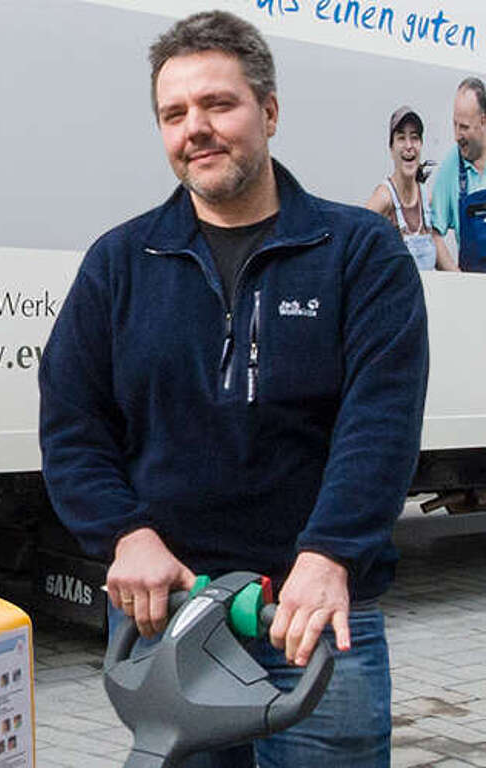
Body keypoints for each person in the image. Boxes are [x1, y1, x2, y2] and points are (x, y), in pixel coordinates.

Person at [39, 10, 428, 767]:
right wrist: (124, 534)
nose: (197, 129)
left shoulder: (359, 253)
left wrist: (329, 554)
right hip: (173, 622)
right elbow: (71, 422)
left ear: (270, 111)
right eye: (175, 113)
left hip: (312, 621)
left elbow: (379, 421)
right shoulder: (120, 262)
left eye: (219, 104)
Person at [367, 106, 457, 271]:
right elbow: (356, 243)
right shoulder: (384, 198)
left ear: (421, 144)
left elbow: (447, 264)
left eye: (414, 138)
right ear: (391, 148)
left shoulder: (427, 200)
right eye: (401, 138)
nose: (409, 146)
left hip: (427, 296)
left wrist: (470, 288)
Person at [431, 77, 486, 272]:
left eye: (464, 127)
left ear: (483, 121)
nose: (456, 135)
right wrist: (457, 279)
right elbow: (433, 233)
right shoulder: (451, 167)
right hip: (472, 295)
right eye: (454, 124)